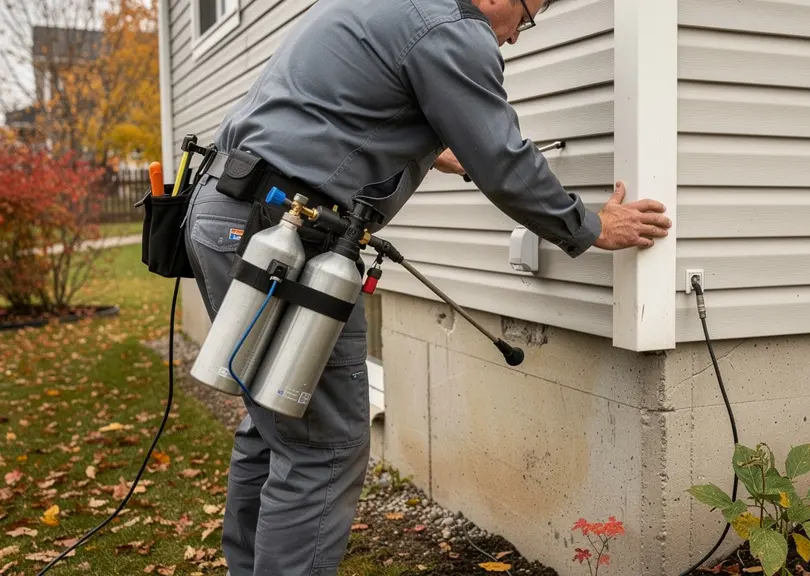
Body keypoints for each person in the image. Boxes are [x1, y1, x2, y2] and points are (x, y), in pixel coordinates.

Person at [182, 0, 673, 574]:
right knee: (325, 444)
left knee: (273, 423)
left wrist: (438, 148)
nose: (515, 37)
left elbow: (352, 107)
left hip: (226, 213)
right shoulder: (454, 29)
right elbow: (505, 162)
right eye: (528, 17)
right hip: (289, 237)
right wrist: (589, 227)